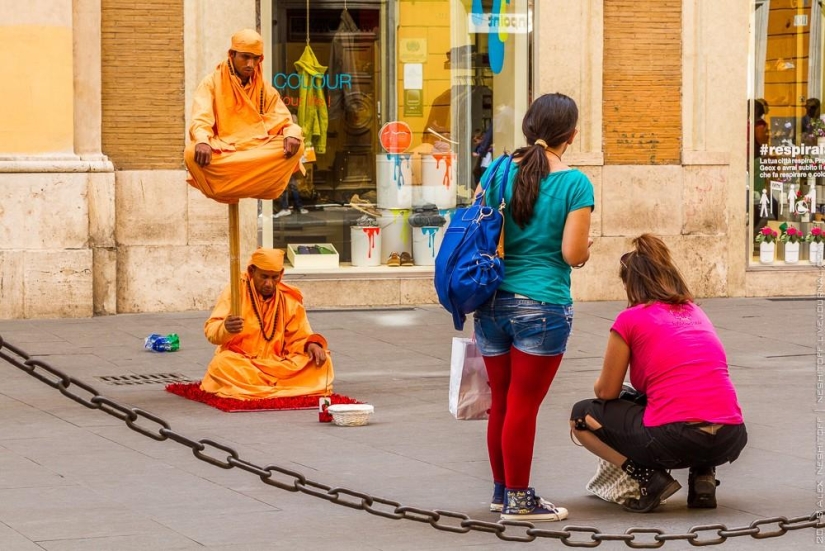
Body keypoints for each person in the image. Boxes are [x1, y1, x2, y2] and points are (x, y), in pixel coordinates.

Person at [474, 93, 594, 522]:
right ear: (572, 134)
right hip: (542, 305)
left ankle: (502, 491)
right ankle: (520, 501)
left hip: (490, 302)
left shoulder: (497, 172)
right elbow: (571, 253)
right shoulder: (574, 183)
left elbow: (480, 230)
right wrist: (585, 251)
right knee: (524, 405)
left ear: (528, 127)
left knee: (502, 403)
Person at [570, 234, 747, 513]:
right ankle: (703, 477)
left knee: (581, 416)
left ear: (632, 284)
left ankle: (650, 479)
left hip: (673, 439)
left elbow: (606, 392)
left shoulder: (630, 318)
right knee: (696, 399)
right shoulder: (695, 312)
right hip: (730, 436)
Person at [184, 29, 305, 204]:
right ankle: (251, 185)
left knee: (297, 146)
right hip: (224, 149)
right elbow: (200, 119)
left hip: (256, 148)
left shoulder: (264, 88)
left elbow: (284, 120)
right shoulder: (211, 82)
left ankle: (229, 186)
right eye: (245, 57)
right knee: (191, 152)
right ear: (232, 54)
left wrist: (292, 133)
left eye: (256, 58)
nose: (251, 64)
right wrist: (203, 140)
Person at [200, 248, 333, 399]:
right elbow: (211, 331)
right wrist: (225, 328)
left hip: (277, 364)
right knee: (222, 363)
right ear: (252, 271)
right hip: (242, 362)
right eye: (263, 276)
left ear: (281, 275)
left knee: (324, 361)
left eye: (274, 277)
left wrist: (312, 345)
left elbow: (298, 337)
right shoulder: (235, 292)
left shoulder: (288, 299)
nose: (269, 284)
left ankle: (258, 388)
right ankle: (280, 388)